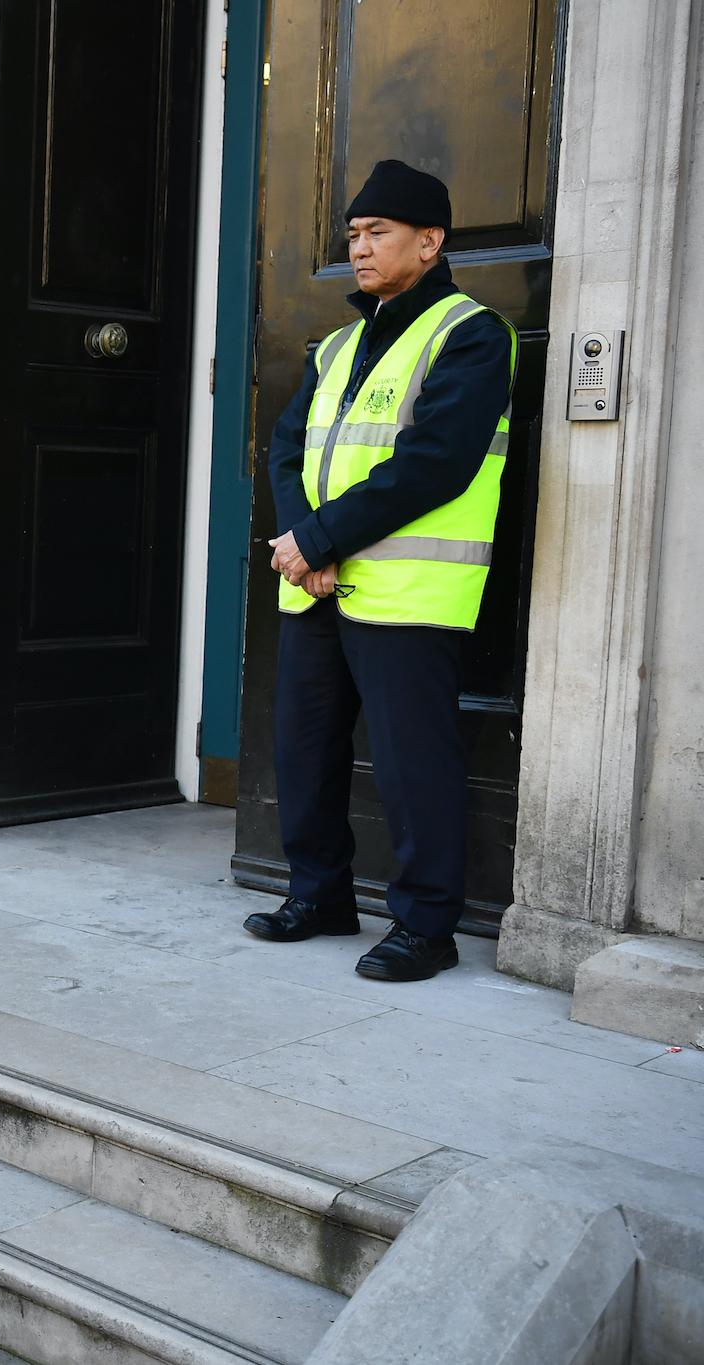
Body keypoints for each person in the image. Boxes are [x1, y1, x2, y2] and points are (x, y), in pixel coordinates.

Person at [244, 160, 516, 983]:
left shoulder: (472, 334)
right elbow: (287, 447)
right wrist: (303, 543)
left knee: (411, 763)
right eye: (354, 235)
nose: (359, 249)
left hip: (409, 591)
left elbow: (434, 463)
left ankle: (427, 926)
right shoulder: (337, 344)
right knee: (304, 748)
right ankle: (320, 893)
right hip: (316, 581)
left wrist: (318, 541)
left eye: (378, 233)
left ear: (430, 242)